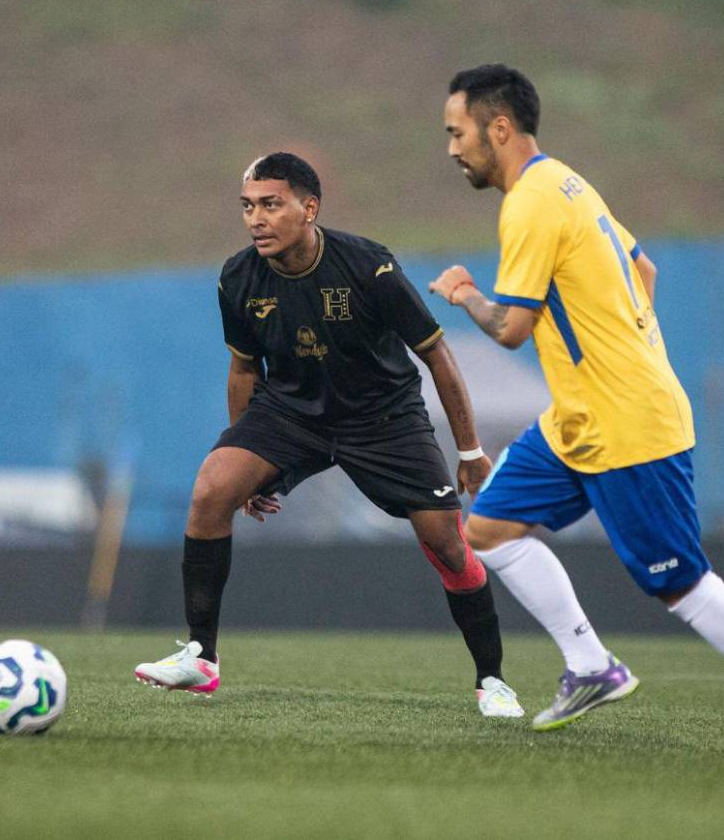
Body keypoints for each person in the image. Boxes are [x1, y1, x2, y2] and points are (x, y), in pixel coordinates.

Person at [429, 64, 724, 754]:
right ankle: (592, 665)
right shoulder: (570, 182)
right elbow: (644, 270)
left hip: (625, 422)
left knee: (678, 581)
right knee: (490, 528)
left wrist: (464, 292)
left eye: (456, 131)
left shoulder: (529, 201)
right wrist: (621, 347)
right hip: (580, 417)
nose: (451, 148)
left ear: (498, 127)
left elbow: (509, 328)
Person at [135, 152, 524, 718]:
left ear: (309, 208)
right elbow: (244, 371)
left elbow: (436, 355)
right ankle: (201, 656)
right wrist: (247, 457)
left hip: (384, 417)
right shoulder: (237, 277)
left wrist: (469, 451)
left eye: (271, 204)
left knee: (446, 543)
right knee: (210, 489)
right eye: (248, 207)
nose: (256, 219)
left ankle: (492, 681)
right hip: (291, 413)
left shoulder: (371, 268)